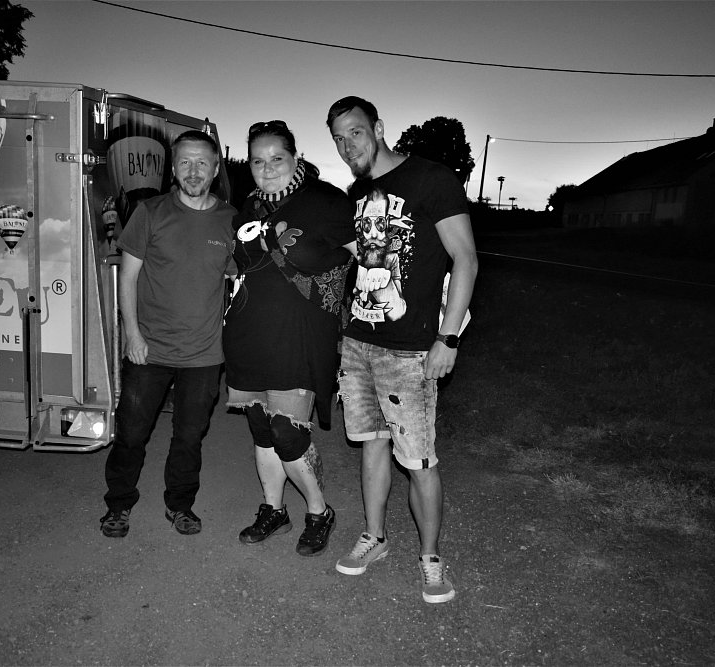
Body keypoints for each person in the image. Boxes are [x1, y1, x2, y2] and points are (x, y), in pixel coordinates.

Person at [326, 96, 478, 603]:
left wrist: (448, 337)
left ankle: (431, 559)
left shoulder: (432, 179)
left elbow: (465, 259)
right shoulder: (356, 193)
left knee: (418, 460)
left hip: (411, 351)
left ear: (378, 128)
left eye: (355, 132)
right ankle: (375, 538)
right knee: (371, 443)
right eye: (339, 138)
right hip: (358, 344)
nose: (348, 145)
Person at [223, 120, 356, 557]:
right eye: (257, 161)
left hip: (300, 336)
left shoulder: (327, 201)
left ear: (295, 158)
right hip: (249, 334)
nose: (267, 168)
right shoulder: (248, 206)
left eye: (277, 158)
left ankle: (319, 512)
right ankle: (274, 509)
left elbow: (369, 260)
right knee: (262, 430)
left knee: (287, 432)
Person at [99, 130, 235, 538]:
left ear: (215, 169)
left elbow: (238, 280)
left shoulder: (231, 220)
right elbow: (127, 277)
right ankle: (118, 505)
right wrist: (132, 334)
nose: (193, 171)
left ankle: (180, 505)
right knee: (131, 434)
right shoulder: (150, 212)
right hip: (149, 349)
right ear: (173, 169)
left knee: (189, 437)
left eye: (202, 163)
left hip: (204, 353)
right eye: (185, 163)